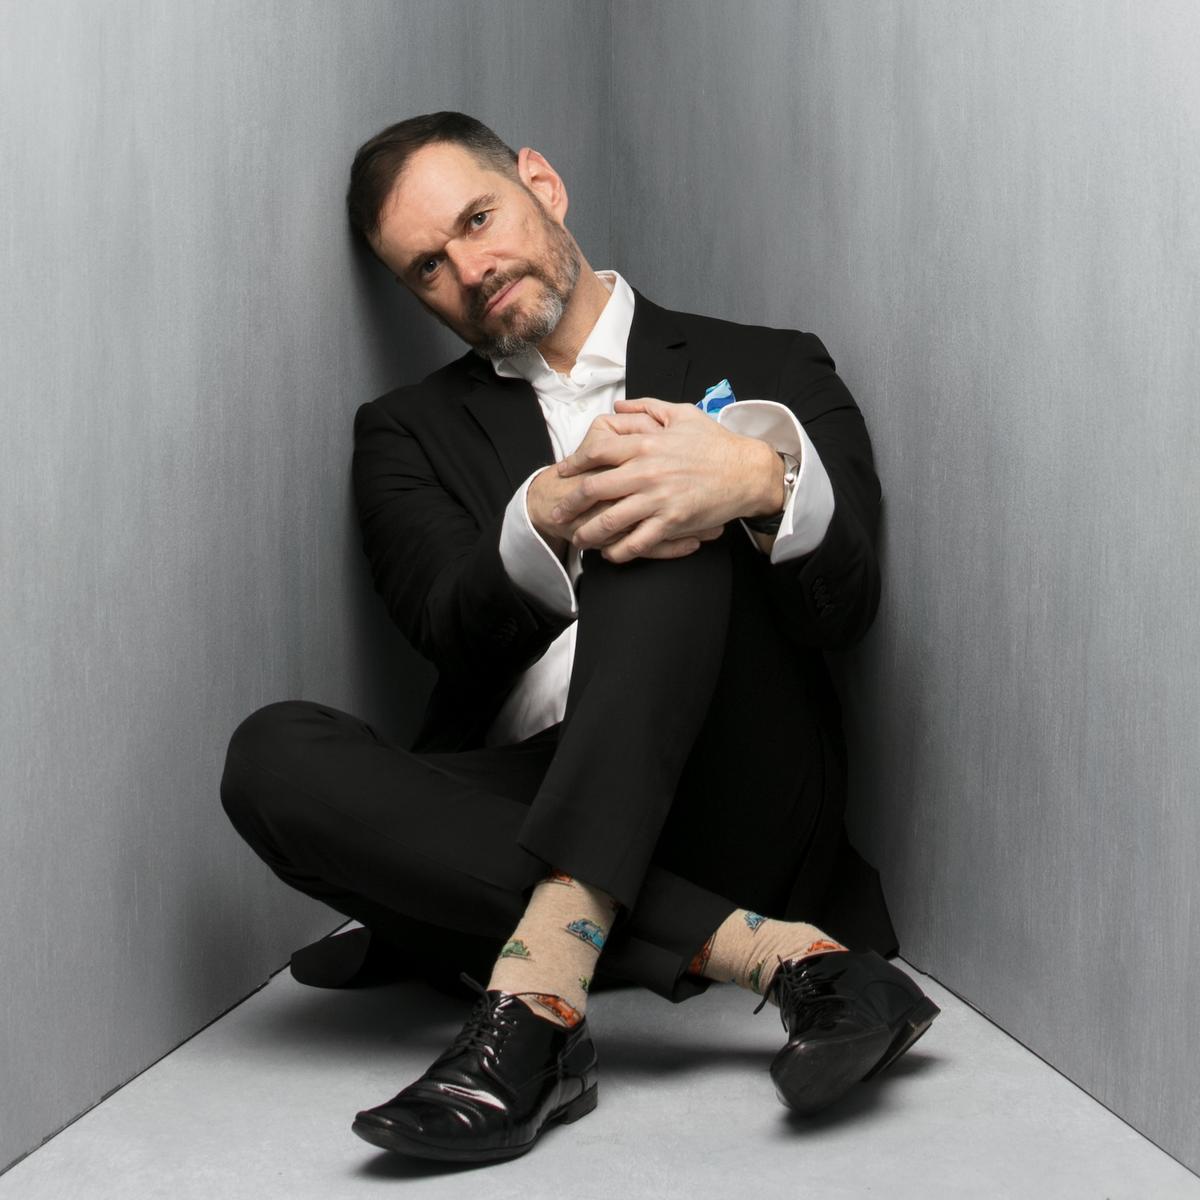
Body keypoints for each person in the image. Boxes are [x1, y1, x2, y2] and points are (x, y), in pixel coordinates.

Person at [218, 111, 939, 1165]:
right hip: (527, 800)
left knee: (658, 499)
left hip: (730, 787)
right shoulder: (403, 432)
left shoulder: (768, 358)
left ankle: (537, 1010)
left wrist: (758, 480)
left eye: (479, 217)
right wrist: (546, 514)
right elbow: (447, 629)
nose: (470, 268)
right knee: (268, 756)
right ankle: (789, 961)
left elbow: (849, 605)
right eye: (428, 267)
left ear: (542, 187)